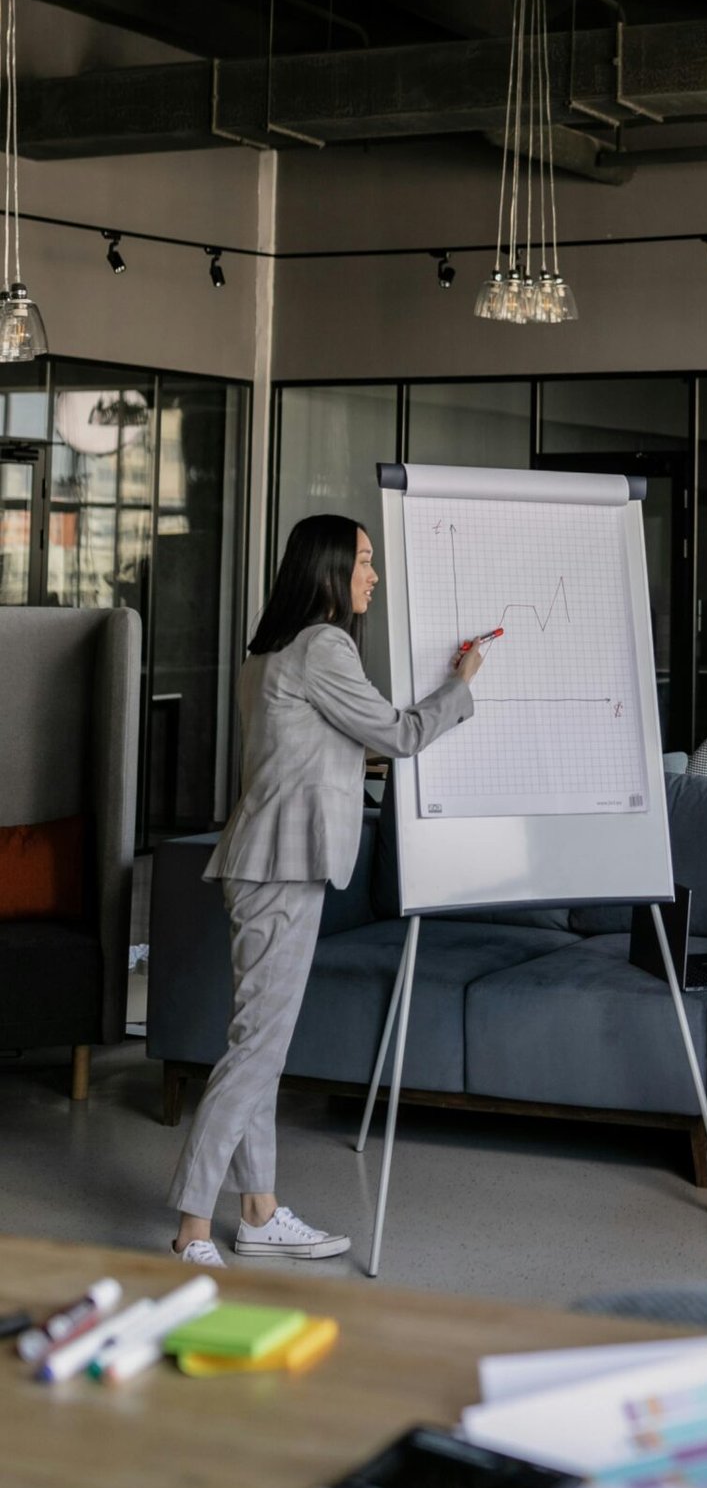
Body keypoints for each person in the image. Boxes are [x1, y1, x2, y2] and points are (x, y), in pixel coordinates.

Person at [167, 516, 480, 1268]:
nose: (373, 575)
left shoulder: (269, 652)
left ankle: (260, 1210)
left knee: (261, 1048)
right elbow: (400, 734)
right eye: (365, 561)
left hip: (262, 864)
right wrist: (460, 686)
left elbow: (307, 754)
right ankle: (191, 1226)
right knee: (255, 1052)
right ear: (332, 569)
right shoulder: (324, 646)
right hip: (279, 871)